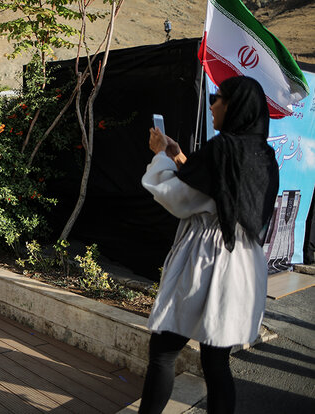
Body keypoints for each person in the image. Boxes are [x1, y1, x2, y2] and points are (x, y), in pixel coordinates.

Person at [139, 76, 279, 414]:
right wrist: (179, 156)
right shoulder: (263, 154)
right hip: (244, 263)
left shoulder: (223, 148)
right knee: (216, 362)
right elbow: (221, 192)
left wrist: (159, 156)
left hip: (208, 258)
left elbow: (178, 198)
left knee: (164, 350)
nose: (213, 104)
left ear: (233, 106)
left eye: (218, 98)